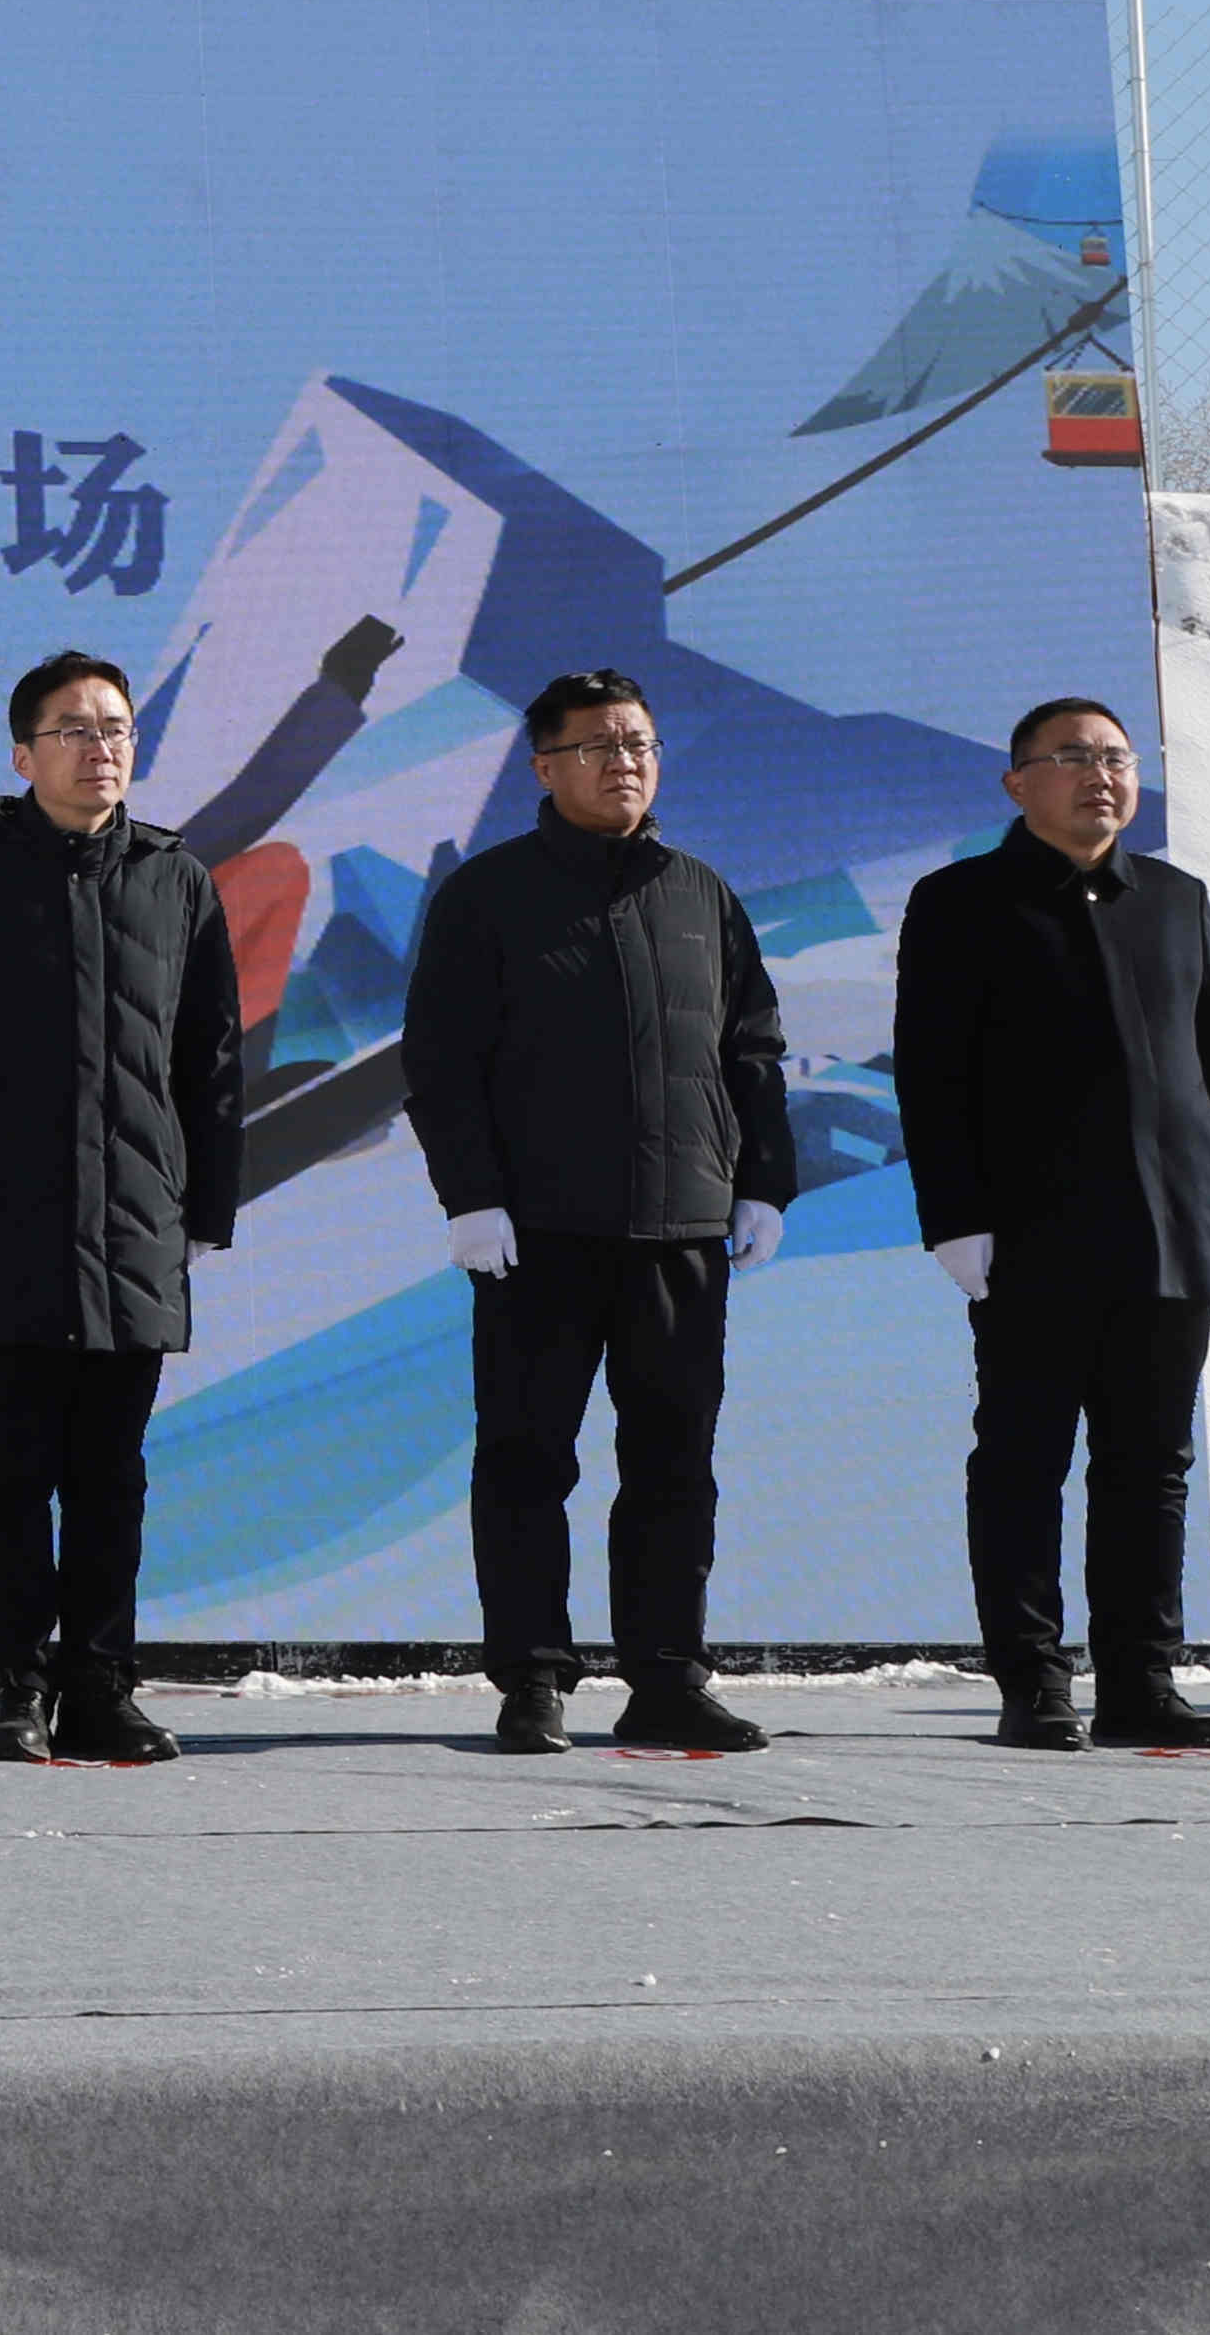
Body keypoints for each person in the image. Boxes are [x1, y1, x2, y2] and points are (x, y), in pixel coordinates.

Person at [403, 669, 798, 1757]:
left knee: (674, 1463)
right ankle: (532, 1678)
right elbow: (441, 1063)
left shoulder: (700, 892)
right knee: (526, 1459)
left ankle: (666, 1676)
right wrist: (472, 1197)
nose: (626, 762)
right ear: (545, 767)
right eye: (599, 745)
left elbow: (751, 1049)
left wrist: (763, 1182)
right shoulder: (488, 895)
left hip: (680, 1232)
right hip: (537, 1234)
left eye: (640, 743)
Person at [0, 649, 243, 1770]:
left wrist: (206, 1204)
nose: (102, 749)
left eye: (117, 729)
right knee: (15, 1468)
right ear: (22, 754)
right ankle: (18, 1690)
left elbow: (210, 1056)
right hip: (9, 1216)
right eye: (75, 730)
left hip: (137, 1218)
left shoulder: (177, 879)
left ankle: (101, 1687)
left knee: (111, 1474)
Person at [894, 696, 1210, 1753]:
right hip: (1031, 1231)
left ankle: (1142, 1682)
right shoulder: (962, 901)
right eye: (1073, 757)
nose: (1101, 774)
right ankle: (1033, 1682)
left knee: (1150, 1466)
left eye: (1116, 757)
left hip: (1173, 1226)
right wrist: (956, 1218)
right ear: (1018, 783)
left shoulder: (1176, 898)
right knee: (1024, 1461)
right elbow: (931, 1072)